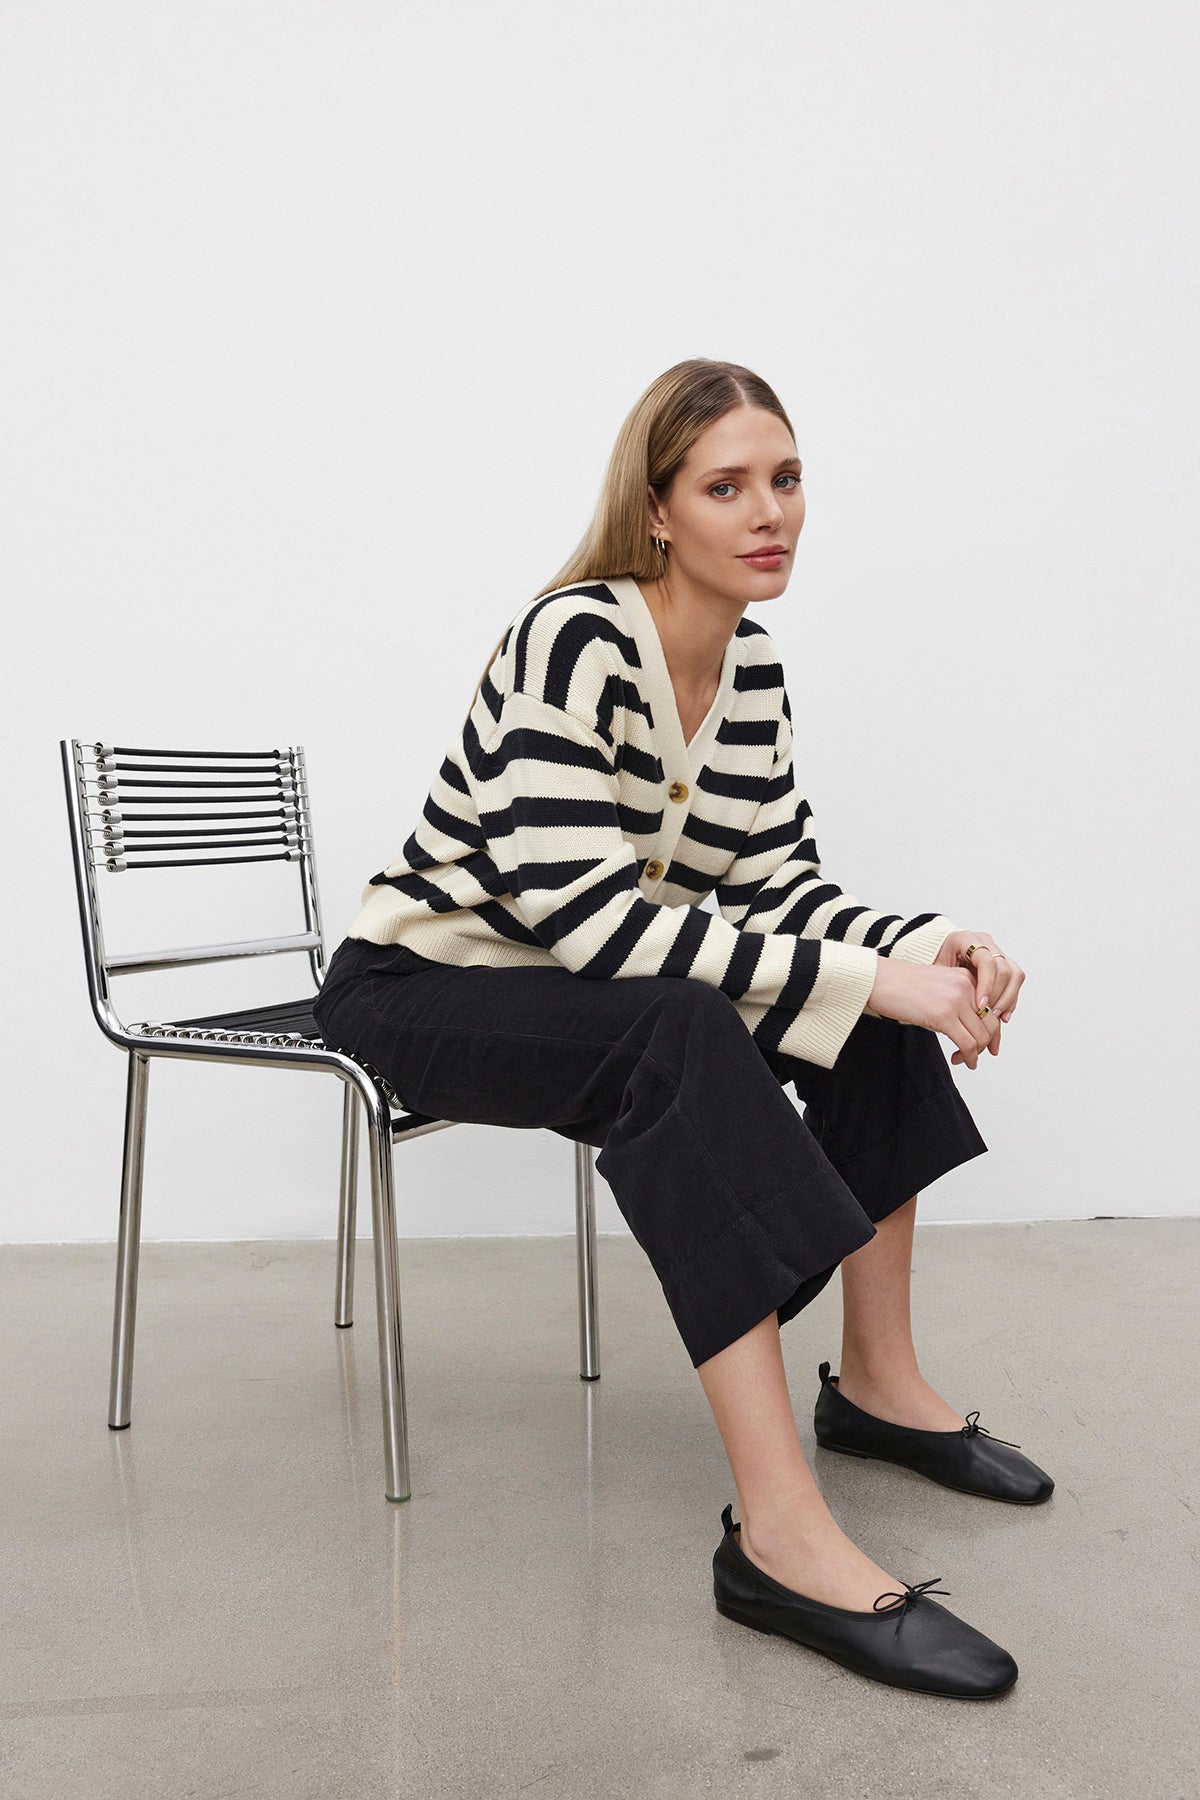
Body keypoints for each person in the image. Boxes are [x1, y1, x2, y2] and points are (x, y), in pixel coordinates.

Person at [313, 357, 1050, 1700]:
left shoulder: (753, 673)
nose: (769, 512)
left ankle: (879, 1383)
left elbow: (783, 887)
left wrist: (920, 947)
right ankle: (779, 1537)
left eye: (785, 479)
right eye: (727, 487)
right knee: (680, 1027)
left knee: (855, 997)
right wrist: (860, 975)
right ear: (659, 511)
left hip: (573, 989)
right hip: (421, 987)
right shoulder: (575, 637)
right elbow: (595, 929)